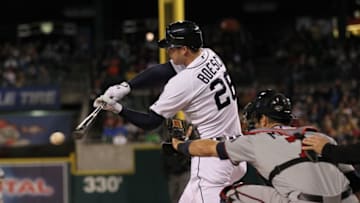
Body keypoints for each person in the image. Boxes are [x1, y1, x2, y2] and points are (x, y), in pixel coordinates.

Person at [94, 20, 247, 203]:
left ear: (184, 50)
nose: (168, 51)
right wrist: (127, 86)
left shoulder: (183, 83)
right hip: (236, 151)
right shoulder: (209, 55)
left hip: (212, 158)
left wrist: (118, 108)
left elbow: (151, 122)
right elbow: (165, 70)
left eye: (172, 48)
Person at [172, 89, 360, 203]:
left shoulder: (255, 139)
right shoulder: (320, 136)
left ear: (263, 118)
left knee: (231, 192)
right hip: (346, 199)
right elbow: (355, 182)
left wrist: (180, 145)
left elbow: (209, 148)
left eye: (255, 118)